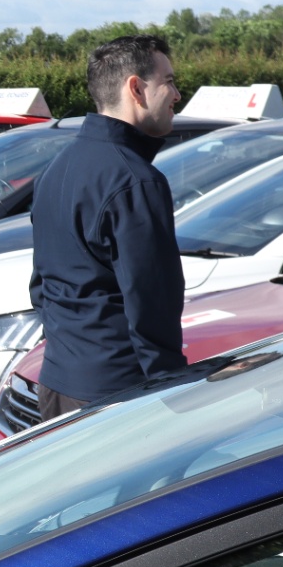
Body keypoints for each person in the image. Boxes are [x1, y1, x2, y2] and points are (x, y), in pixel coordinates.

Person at [30, 34, 188, 420]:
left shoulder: (59, 166)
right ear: (136, 88)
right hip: (118, 394)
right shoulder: (135, 180)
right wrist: (175, 393)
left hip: (56, 381)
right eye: (167, 81)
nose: (177, 94)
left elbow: (42, 285)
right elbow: (151, 305)